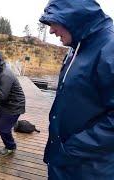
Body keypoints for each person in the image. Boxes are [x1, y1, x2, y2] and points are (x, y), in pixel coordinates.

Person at [39, 0, 114, 179]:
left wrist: (72, 149)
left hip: (89, 169)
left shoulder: (109, 48)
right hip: (63, 162)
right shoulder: (76, 47)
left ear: (72, 17)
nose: (51, 30)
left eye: (53, 22)